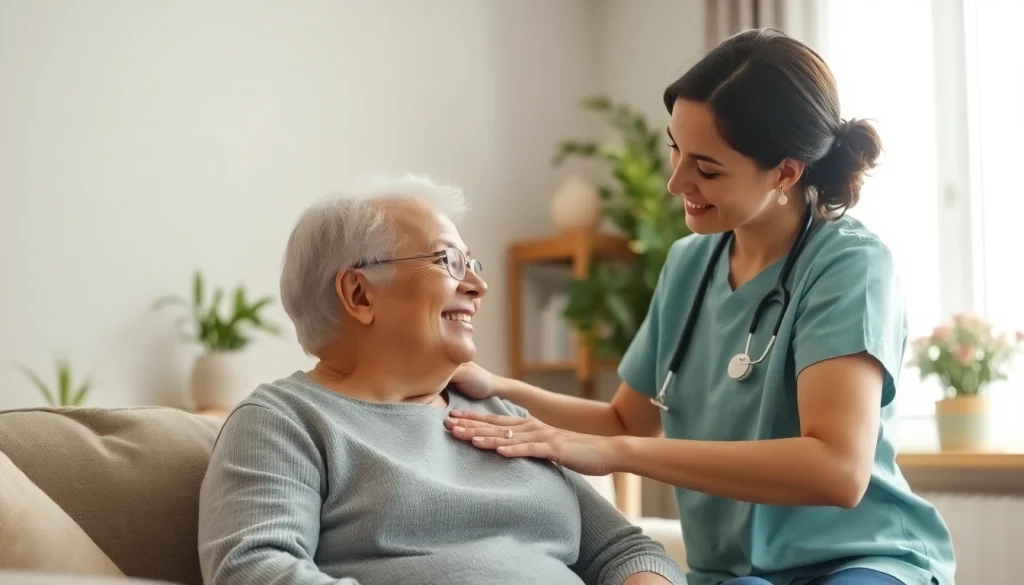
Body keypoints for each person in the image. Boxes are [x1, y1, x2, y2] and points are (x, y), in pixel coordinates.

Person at [445, 29, 956, 585]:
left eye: (707, 168)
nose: (675, 182)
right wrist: (499, 388)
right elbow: (624, 418)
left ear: (785, 172)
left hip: (860, 559)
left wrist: (617, 453)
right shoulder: (691, 263)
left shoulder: (849, 266)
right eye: (675, 149)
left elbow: (837, 469)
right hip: (736, 574)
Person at [196, 173, 687, 585]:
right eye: (449, 261)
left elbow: (628, 552)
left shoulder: (499, 416)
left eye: (471, 264)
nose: (478, 285)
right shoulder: (283, 421)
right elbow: (254, 570)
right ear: (359, 294)